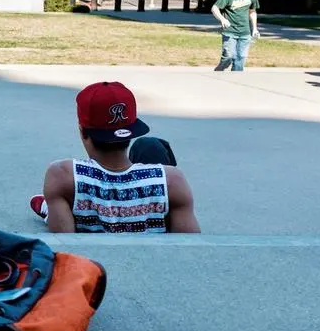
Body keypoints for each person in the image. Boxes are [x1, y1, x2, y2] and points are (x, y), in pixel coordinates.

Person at [28, 81, 200, 233]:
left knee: (60, 199)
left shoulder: (62, 176)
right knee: (151, 147)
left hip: (93, 266)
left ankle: (49, 209)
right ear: (131, 131)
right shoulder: (173, 180)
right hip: (153, 197)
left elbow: (66, 244)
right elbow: (190, 245)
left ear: (82, 131)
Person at [211, 0, 260, 72]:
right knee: (228, 56)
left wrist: (254, 28)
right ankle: (218, 72)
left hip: (245, 32)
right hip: (230, 32)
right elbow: (214, 8)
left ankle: (236, 79)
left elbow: (252, 11)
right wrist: (222, 19)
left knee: (240, 58)